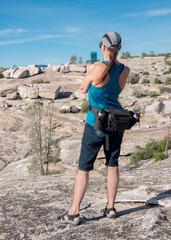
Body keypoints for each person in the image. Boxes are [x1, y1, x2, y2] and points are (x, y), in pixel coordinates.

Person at [58, 31, 130, 225]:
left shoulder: (95, 67)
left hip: (95, 124)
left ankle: (74, 212)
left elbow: (83, 89)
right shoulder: (125, 69)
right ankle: (111, 208)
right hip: (115, 123)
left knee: (84, 168)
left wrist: (90, 72)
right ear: (120, 48)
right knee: (112, 164)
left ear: (103, 47)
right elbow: (116, 90)